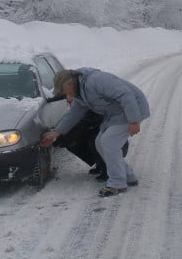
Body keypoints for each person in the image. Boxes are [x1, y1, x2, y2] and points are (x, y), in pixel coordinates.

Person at [41, 68, 150, 197]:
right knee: (100, 142)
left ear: (69, 84)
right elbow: (74, 113)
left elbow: (125, 94)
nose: (64, 95)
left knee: (109, 141)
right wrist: (57, 132)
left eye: (63, 91)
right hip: (115, 114)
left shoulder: (96, 80)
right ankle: (128, 175)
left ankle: (117, 183)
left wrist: (134, 120)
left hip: (133, 108)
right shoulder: (80, 92)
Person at [46, 94, 129, 180]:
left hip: (114, 142)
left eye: (71, 101)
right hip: (95, 129)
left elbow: (80, 128)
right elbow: (61, 95)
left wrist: (57, 139)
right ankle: (100, 164)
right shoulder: (78, 98)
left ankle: (107, 170)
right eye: (68, 101)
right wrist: (47, 99)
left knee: (93, 142)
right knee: (77, 141)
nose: (70, 104)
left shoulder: (90, 108)